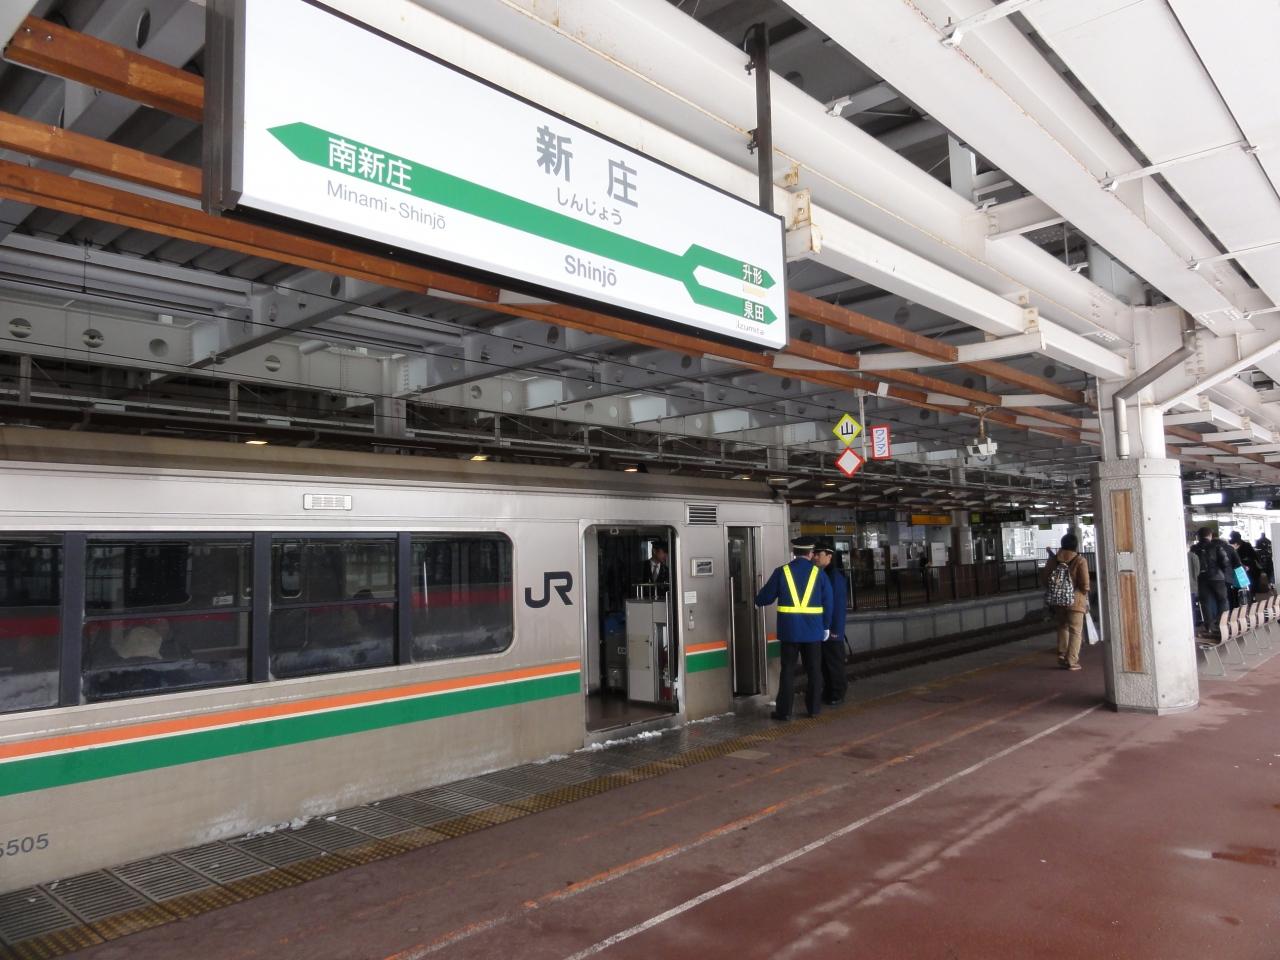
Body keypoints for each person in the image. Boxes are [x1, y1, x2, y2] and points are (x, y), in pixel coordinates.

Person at [755, 536, 833, 720]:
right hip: (813, 632)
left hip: (790, 632)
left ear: (794, 552)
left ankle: (784, 712)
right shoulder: (819, 574)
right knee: (814, 671)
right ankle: (813, 709)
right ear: (811, 553)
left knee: (788, 671)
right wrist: (826, 627)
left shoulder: (782, 572)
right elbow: (828, 602)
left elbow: (765, 597)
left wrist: (757, 601)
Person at [1044, 532, 1090, 670]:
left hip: (1059, 600)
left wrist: (1057, 591)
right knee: (1075, 630)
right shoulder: (1080, 560)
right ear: (1076, 545)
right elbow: (1085, 584)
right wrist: (1083, 593)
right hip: (1076, 600)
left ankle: (1062, 654)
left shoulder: (1053, 560)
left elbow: (1045, 579)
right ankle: (1071, 661)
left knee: (1062, 626)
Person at [814, 540, 849, 706]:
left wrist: (832, 629)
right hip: (825, 626)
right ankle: (829, 691)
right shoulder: (824, 574)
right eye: (814, 554)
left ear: (829, 556)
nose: (815, 557)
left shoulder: (835, 577)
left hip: (832, 628)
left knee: (834, 662)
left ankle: (837, 693)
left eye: (819, 554)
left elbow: (836, 606)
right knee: (825, 663)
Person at [1191, 527, 1236, 636]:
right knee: (1222, 600)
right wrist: (1222, 572)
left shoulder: (1194, 548)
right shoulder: (1216, 546)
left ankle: (1209, 627)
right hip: (1217, 577)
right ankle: (1222, 625)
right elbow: (1225, 562)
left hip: (1201, 578)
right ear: (1210, 535)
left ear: (1198, 536)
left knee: (1205, 602)